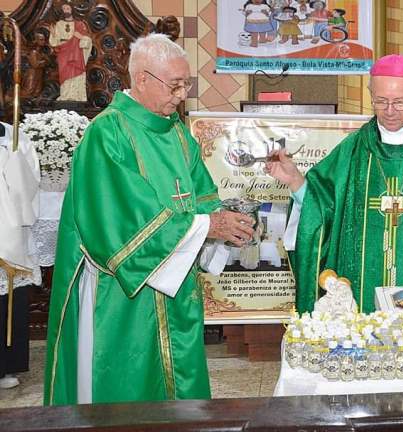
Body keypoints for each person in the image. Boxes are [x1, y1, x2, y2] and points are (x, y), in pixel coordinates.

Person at [44, 34, 255, 405]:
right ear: (142, 79)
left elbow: (202, 196)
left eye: (185, 84)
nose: (181, 94)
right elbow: (121, 219)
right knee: (126, 388)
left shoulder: (177, 133)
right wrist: (207, 226)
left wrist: (225, 225)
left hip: (175, 287)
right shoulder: (106, 133)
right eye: (175, 85)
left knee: (178, 393)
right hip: (123, 291)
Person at [266, 54, 403, 313]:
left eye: (399, 102)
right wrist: (296, 181)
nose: (389, 111)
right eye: (381, 101)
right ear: (370, 95)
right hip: (361, 277)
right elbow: (322, 204)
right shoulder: (352, 150)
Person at [0, 122, 40, 390]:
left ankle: (6, 365)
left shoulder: (13, 135)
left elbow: (30, 181)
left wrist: (15, 165)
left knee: (7, 296)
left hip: (8, 224)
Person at [48, 1, 92, 101]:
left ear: (71, 9)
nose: (66, 10)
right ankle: (65, 95)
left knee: (76, 73)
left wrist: (79, 36)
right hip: (63, 52)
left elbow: (88, 40)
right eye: (64, 9)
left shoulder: (79, 24)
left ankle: (77, 96)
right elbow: (54, 43)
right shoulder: (59, 24)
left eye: (67, 8)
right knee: (64, 74)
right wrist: (53, 34)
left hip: (76, 52)